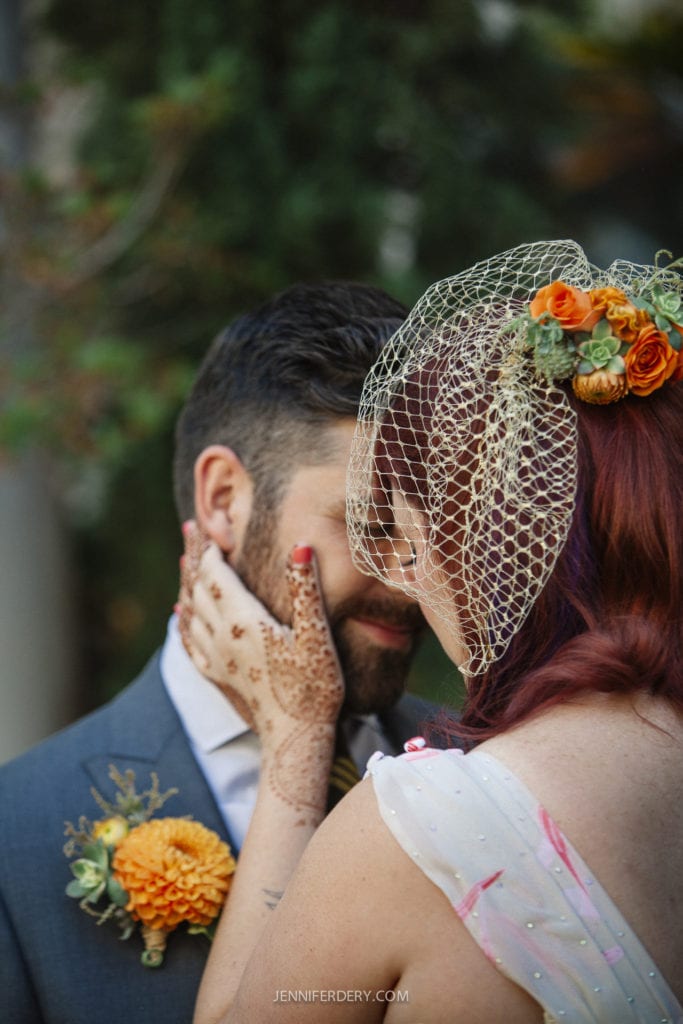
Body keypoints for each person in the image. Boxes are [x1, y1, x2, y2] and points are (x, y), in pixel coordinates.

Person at [185, 240, 683, 1022]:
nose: (406, 578)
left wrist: (295, 739)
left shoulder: (422, 824)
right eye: (364, 527)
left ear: (507, 541)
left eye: (408, 531)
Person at [0, 282, 434, 1024]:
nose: (413, 576)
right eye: (368, 521)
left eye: (431, 531)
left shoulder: (483, 767)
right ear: (225, 498)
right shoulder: (17, 833)